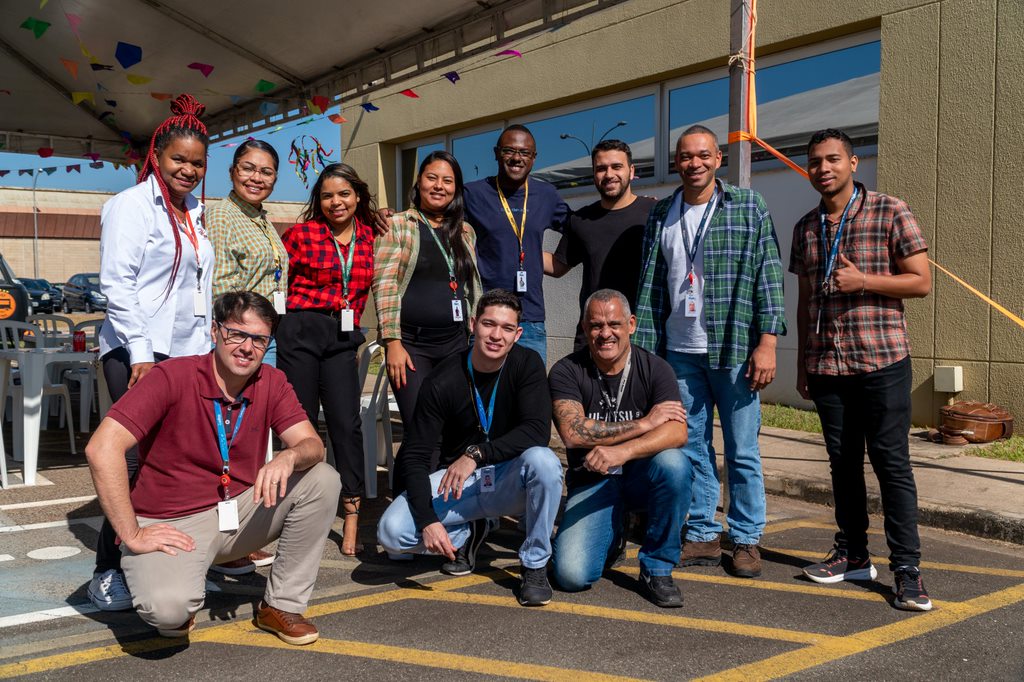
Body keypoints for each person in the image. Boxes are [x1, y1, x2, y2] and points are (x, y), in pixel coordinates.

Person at [84, 291, 339, 644]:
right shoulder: (171, 376)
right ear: (215, 331)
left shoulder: (271, 381)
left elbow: (313, 445)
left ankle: (280, 605)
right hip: (170, 523)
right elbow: (102, 448)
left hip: (237, 514)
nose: (247, 347)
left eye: (259, 339)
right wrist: (132, 533)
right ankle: (169, 578)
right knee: (169, 614)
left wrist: (288, 456)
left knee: (322, 479)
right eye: (237, 334)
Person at [634, 125, 786, 579]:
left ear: (718, 158)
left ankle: (744, 538)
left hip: (735, 347)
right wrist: (647, 354)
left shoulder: (747, 206)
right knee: (693, 445)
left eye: (703, 155)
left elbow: (769, 276)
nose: (694, 163)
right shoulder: (662, 212)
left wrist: (768, 342)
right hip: (679, 350)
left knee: (742, 449)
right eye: (685, 156)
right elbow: (650, 287)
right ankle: (701, 531)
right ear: (675, 162)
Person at [791, 128, 932, 611]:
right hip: (829, 364)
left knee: (891, 465)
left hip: (882, 360)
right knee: (842, 464)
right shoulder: (807, 227)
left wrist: (863, 280)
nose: (823, 168)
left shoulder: (891, 210)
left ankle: (908, 571)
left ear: (854, 163)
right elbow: (806, 298)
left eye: (833, 159)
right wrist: (805, 363)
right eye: (814, 162)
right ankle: (851, 553)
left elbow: (921, 282)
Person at [90, 94, 216, 612]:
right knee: (133, 462)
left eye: (197, 163)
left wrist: (207, 351)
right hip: (137, 353)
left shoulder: (193, 211)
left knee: (176, 459)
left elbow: (197, 289)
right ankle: (108, 567)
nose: (188, 169)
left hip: (186, 353)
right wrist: (141, 352)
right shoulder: (131, 205)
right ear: (157, 156)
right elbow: (116, 284)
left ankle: (166, 557)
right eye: (178, 159)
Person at [376, 290, 563, 607]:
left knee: (544, 462)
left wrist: (476, 454)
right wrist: (428, 521)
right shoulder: (442, 379)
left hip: (509, 479)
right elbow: (415, 455)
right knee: (392, 534)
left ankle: (534, 564)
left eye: (506, 328)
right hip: (459, 485)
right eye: (489, 324)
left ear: (517, 334)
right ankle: (469, 531)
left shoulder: (527, 364)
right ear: (474, 324)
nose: (496, 335)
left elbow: (537, 431)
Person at [549, 290, 690, 607]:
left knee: (676, 465)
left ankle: (657, 568)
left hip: (641, 476)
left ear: (631, 324)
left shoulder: (655, 368)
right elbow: (574, 433)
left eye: (614, 324)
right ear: (585, 328)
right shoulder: (566, 370)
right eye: (596, 325)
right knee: (571, 577)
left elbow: (677, 431)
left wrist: (623, 451)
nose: (605, 333)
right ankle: (612, 536)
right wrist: (643, 423)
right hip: (592, 479)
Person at [277, 163, 377, 556]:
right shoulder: (301, 235)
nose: (336, 202)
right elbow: (277, 283)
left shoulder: (371, 237)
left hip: (342, 335)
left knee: (346, 424)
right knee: (299, 425)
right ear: (318, 201)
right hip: (301, 331)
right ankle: (298, 509)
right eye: (327, 195)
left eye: (344, 194)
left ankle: (351, 511)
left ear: (357, 197)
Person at [206, 139, 286, 575]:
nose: (257, 177)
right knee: (230, 436)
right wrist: (236, 339)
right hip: (241, 339)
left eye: (267, 171)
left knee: (252, 437)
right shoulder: (222, 215)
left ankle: (241, 533)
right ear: (233, 171)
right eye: (249, 168)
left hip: (263, 338)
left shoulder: (261, 218)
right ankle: (225, 540)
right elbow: (219, 290)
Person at [372, 150, 482, 450]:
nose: (439, 186)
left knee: (454, 431)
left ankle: (446, 496)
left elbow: (471, 288)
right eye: (431, 177)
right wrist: (392, 342)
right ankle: (414, 497)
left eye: (447, 181)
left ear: (456, 189)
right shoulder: (396, 226)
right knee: (422, 430)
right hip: (411, 347)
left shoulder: (465, 231)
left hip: (456, 345)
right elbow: (384, 285)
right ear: (418, 182)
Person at [463, 125, 571, 364]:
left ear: (534, 158)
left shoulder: (546, 194)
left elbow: (580, 229)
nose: (516, 158)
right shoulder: (473, 194)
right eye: (509, 150)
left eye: (524, 153)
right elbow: (436, 220)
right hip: (485, 316)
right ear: (496, 153)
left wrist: (561, 263)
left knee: (530, 396)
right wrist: (389, 215)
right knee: (481, 395)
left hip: (529, 319)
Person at [544, 140, 655, 351]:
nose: (609, 174)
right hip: (594, 336)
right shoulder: (581, 220)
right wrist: (517, 247)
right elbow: (558, 266)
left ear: (631, 171)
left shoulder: (655, 213)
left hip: (643, 335)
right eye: (601, 168)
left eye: (616, 167)